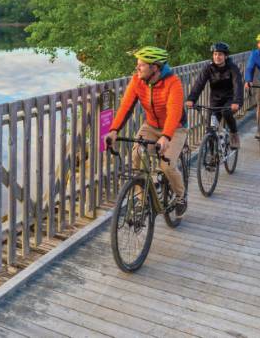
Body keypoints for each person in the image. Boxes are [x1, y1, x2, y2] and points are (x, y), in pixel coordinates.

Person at [104, 46, 188, 214]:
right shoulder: (137, 80)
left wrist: (166, 136)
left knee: (167, 166)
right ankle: (142, 201)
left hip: (175, 129)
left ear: (155, 67)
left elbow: (174, 112)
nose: (137, 68)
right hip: (150, 126)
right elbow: (126, 106)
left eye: (141, 65)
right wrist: (114, 130)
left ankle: (181, 197)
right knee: (137, 154)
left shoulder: (173, 83)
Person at [184, 42, 243, 148]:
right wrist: (191, 99)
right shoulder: (208, 68)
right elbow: (199, 83)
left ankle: (234, 134)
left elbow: (238, 85)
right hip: (215, 100)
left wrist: (237, 101)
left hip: (231, 98)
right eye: (215, 54)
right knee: (210, 129)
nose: (217, 57)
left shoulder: (232, 68)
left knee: (226, 112)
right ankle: (212, 156)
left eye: (220, 54)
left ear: (226, 56)